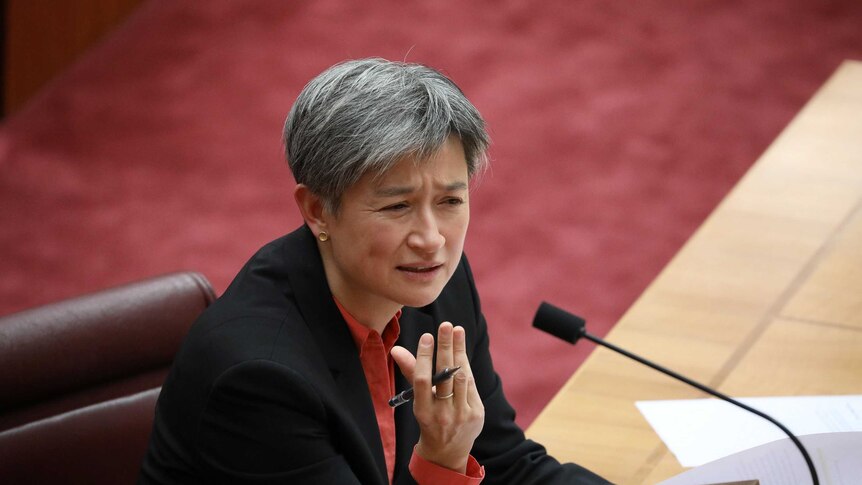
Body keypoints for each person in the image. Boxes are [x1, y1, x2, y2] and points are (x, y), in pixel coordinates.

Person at [139, 58, 609, 484]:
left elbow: (505, 463)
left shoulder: (433, 280)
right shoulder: (259, 378)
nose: (432, 239)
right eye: (398, 206)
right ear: (319, 211)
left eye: (450, 201)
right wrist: (443, 458)